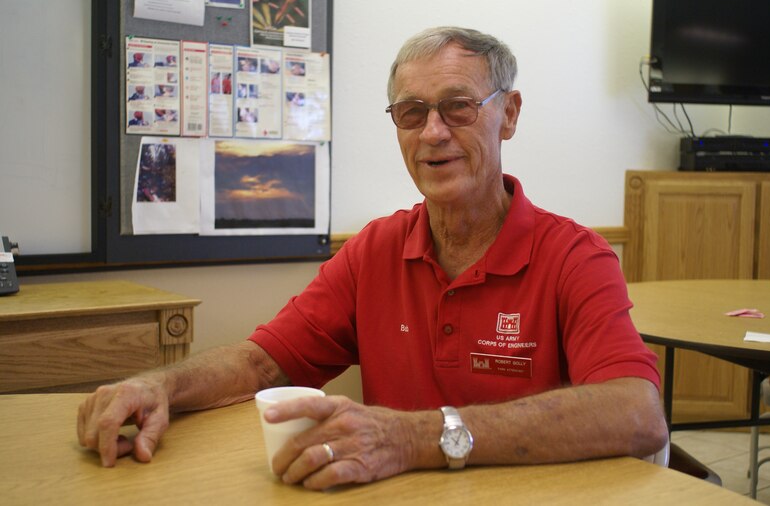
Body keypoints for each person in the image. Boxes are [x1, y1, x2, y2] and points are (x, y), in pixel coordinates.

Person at [78, 26, 668, 490]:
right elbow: (263, 363)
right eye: (412, 113)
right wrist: (159, 384)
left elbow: (636, 413)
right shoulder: (376, 250)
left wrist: (414, 438)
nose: (432, 132)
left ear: (508, 114)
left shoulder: (575, 256)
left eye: (458, 107)